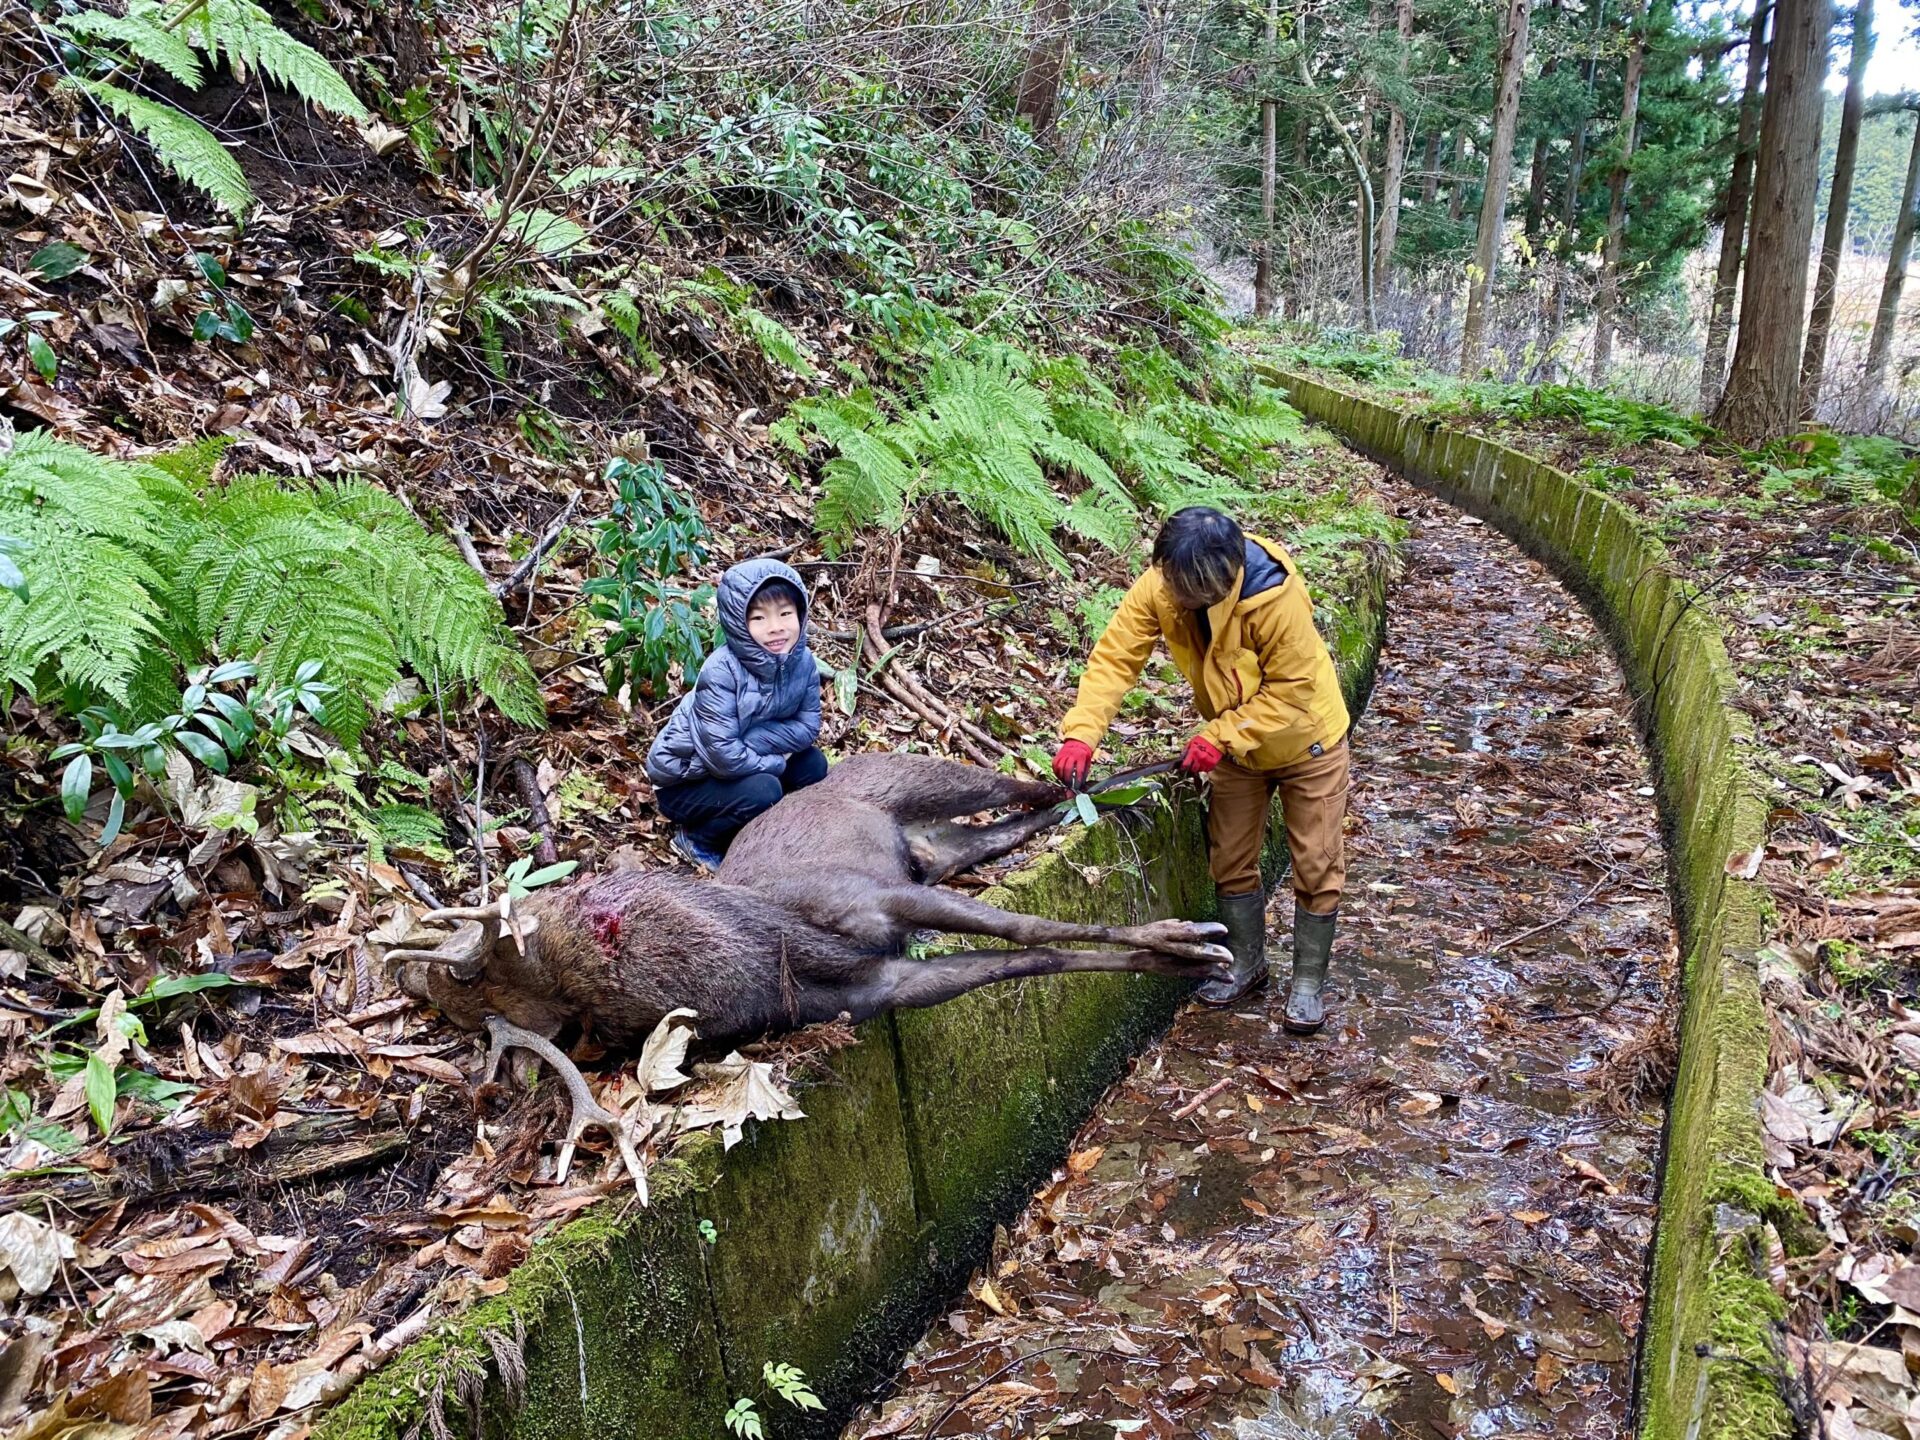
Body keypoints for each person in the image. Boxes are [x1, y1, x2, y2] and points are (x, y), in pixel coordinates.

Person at [1051, 507, 1350, 1031]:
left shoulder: (1273, 599)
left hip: (1309, 746)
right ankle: (1245, 965)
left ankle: (1307, 982)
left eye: (1188, 593)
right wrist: (1082, 733)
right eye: (1172, 585)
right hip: (1237, 753)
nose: (1176, 598)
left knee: (1317, 862)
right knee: (1230, 857)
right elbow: (1116, 657)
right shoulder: (1163, 585)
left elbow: (1293, 692)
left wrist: (1218, 734)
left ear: (1219, 583)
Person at [646, 557, 827, 869]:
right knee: (765, 790)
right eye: (759, 618)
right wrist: (773, 762)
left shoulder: (804, 663)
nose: (776, 628)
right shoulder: (722, 671)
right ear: (738, 624)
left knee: (813, 764)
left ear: (801, 614)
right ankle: (698, 840)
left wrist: (758, 739)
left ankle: (776, 834)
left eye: (785, 614)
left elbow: (809, 724)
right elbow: (722, 755)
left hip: (747, 761)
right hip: (687, 782)